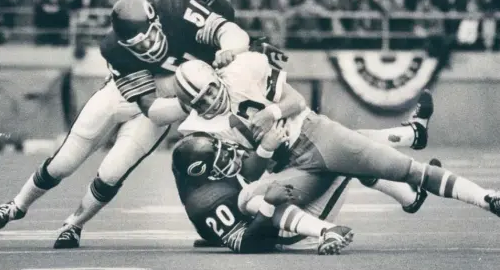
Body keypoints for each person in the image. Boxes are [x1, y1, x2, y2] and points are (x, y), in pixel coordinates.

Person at [0, 0, 247, 249]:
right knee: (64, 162)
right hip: (130, 91)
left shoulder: (182, 7)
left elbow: (233, 34)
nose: (149, 46)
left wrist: (230, 51)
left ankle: (74, 224)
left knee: (112, 172)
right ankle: (16, 206)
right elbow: (149, 107)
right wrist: (187, 103)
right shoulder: (121, 40)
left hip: (171, 95)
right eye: (139, 43)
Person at [171, 54, 500, 221]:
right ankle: (410, 142)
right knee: (256, 205)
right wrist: (266, 146)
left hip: (315, 135)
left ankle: (486, 198)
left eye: (211, 91)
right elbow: (250, 173)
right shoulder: (208, 129)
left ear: (216, 77)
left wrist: (271, 113)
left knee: (409, 169)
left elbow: (296, 101)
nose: (210, 101)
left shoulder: (244, 69)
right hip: (289, 171)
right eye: (201, 101)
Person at [171, 91, 441, 254]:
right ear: (204, 174)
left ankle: (410, 189)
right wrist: (267, 205)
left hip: (282, 215)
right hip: (293, 233)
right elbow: (250, 242)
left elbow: (213, 229)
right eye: (223, 159)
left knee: (346, 150)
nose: (233, 156)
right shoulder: (208, 200)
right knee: (345, 155)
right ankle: (412, 139)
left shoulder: (192, 176)